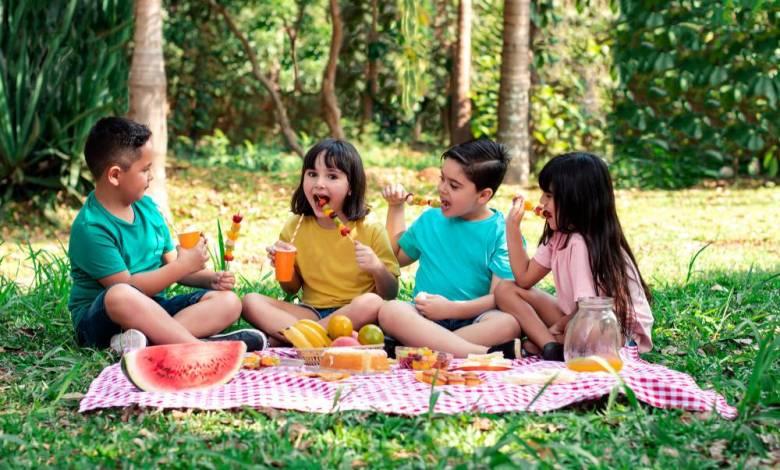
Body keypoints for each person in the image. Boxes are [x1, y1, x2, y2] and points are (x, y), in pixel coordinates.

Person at [68, 117, 266, 354]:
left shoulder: (147, 208)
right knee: (120, 294)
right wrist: (182, 267)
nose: (151, 176)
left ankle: (148, 344)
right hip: (102, 322)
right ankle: (199, 349)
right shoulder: (92, 227)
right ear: (115, 175)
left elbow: (172, 264)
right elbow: (129, 287)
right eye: (145, 169)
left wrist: (209, 279)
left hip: (153, 309)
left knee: (229, 302)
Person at [378, 139, 530, 359]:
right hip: (423, 317)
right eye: (442, 178)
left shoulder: (502, 233)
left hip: (475, 319)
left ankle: (419, 347)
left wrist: (451, 309)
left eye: (454, 185)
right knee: (390, 311)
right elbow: (396, 258)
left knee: (509, 323)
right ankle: (484, 354)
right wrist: (395, 208)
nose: (442, 188)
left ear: (483, 195)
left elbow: (497, 297)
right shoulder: (430, 219)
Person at [494, 152, 654, 361]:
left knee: (583, 327)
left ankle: (544, 343)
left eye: (550, 196)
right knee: (506, 289)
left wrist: (556, 327)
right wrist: (512, 227)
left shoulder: (580, 243)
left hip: (614, 330)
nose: (542, 202)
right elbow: (523, 279)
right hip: (580, 317)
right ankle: (550, 346)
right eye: (544, 194)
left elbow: (588, 310)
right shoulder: (559, 235)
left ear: (576, 200)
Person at [242, 139, 400, 344]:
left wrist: (377, 267)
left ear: (351, 187)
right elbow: (291, 289)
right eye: (312, 174)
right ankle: (312, 337)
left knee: (372, 302)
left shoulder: (369, 229)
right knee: (250, 301)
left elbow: (390, 293)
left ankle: (288, 339)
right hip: (311, 313)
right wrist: (284, 265)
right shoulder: (295, 226)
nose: (319, 183)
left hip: (354, 316)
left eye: (332, 176)